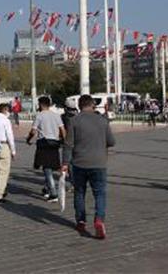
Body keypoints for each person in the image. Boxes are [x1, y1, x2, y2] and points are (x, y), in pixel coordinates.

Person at [62, 94, 116, 240]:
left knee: (79, 192)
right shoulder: (102, 120)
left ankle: (81, 220)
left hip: (79, 163)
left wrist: (65, 164)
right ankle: (99, 219)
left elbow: (68, 144)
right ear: (93, 105)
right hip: (99, 163)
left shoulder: (73, 121)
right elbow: (111, 141)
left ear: (79, 106)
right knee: (100, 193)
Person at [26, 96, 66, 203]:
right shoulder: (56, 115)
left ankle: (53, 193)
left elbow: (33, 131)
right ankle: (47, 188)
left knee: (47, 168)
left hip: (44, 144)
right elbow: (62, 129)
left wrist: (28, 139)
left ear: (40, 104)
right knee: (51, 166)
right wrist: (64, 141)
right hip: (54, 144)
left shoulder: (39, 116)